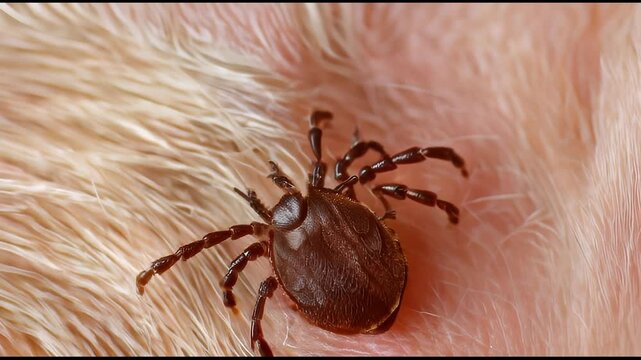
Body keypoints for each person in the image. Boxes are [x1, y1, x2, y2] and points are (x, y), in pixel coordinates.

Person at [1, 3, 638, 356]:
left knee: (254, 296)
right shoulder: (332, 180)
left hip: (356, 300)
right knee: (382, 169)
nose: (283, 202)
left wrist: (234, 300)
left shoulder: (259, 248)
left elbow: (240, 284)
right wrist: (432, 196)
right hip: (366, 288)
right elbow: (391, 164)